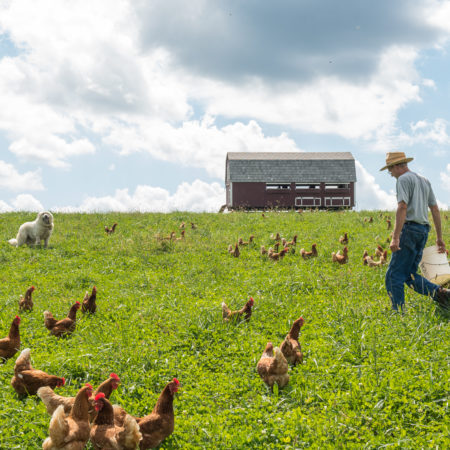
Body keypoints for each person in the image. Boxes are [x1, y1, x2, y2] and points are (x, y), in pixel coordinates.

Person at [380, 152, 449, 311]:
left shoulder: (403, 179)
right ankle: (442, 294)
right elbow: (435, 209)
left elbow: (402, 206)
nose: (390, 174)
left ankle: (398, 313)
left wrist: (395, 237)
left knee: (394, 275)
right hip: (423, 230)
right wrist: (439, 237)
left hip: (409, 229)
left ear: (397, 166)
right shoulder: (424, 180)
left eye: (390, 169)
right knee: (409, 275)